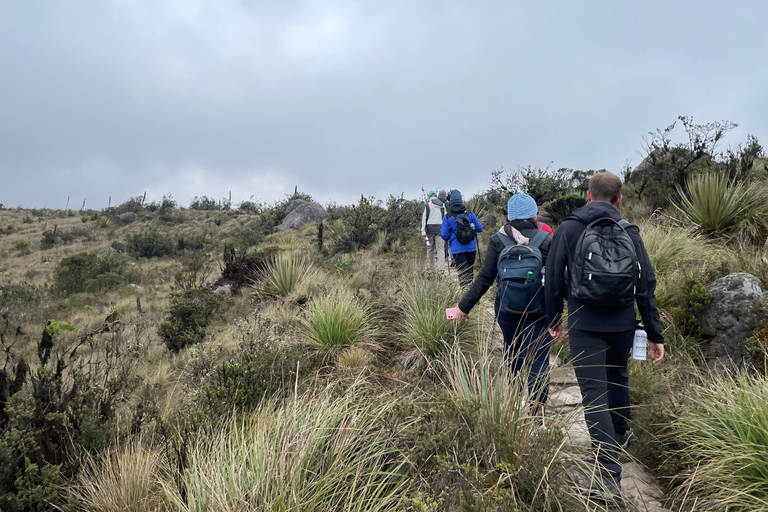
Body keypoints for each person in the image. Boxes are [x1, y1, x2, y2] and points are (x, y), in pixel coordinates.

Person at [545, 172, 664, 502]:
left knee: (595, 393)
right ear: (619, 200)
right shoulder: (630, 232)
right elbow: (646, 285)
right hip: (624, 322)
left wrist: (554, 319)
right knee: (617, 376)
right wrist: (655, 334)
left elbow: (553, 280)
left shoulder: (568, 229)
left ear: (587, 195)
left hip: (585, 324)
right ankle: (622, 432)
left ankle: (608, 479)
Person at [454, 193, 553, 411]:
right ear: (534, 215)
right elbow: (557, 280)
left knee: (512, 352)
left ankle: (514, 404)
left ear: (509, 216)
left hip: (507, 310)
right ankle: (536, 416)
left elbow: (484, 278)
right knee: (539, 359)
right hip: (539, 309)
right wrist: (558, 315)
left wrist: (463, 307)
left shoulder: (498, 240)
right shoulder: (545, 240)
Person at [441, 190, 483, 287]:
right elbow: (479, 228)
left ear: (451, 201)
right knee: (469, 271)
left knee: (462, 272)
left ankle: (464, 294)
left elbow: (444, 235)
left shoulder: (448, 217)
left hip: (457, 249)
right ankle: (471, 294)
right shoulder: (470, 213)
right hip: (471, 247)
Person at [420, 190, 446, 271]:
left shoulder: (427, 205)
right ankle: (441, 269)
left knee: (430, 249)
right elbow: (445, 217)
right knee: (440, 249)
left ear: (429, 197)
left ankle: (431, 267)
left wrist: (423, 231)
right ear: (436, 196)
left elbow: (423, 218)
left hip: (429, 229)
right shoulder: (442, 205)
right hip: (440, 228)